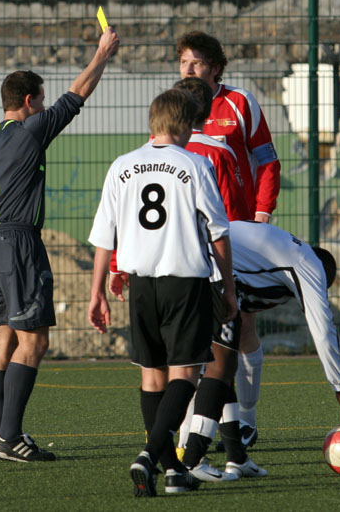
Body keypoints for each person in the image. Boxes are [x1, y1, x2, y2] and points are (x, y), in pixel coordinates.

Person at [0, 27, 120, 462]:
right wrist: (102, 54)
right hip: (20, 244)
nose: (44, 108)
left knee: (2, 341)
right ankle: (10, 439)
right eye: (40, 102)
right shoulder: (30, 131)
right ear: (28, 102)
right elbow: (76, 95)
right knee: (34, 342)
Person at [112, 220, 340, 478]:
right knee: (217, 369)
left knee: (222, 362)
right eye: (322, 287)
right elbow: (322, 327)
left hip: (175, 265)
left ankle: (236, 457)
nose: (320, 291)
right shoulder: (310, 265)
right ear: (324, 273)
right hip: (209, 272)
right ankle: (191, 461)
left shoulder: (285, 247)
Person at [88, 88, 238, 497]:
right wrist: (228, 288)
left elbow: (104, 236)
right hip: (184, 282)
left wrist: (97, 292)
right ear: (186, 125)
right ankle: (149, 455)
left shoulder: (122, 165)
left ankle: (173, 472)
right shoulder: (195, 164)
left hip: (140, 285)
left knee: (152, 375)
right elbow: (218, 233)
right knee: (185, 373)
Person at [178, 31, 281, 444]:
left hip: (236, 232)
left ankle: (247, 420)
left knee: (243, 324)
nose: (189, 69)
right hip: (187, 239)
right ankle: (196, 428)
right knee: (195, 337)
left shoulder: (240, 102)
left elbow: (268, 161)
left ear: (216, 68)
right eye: (184, 62)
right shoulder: (173, 106)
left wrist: (260, 215)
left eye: (197, 63)